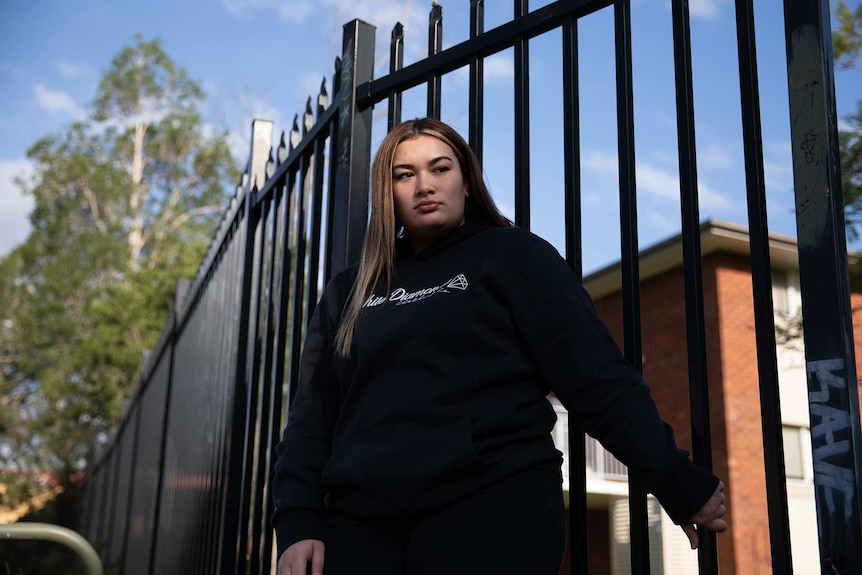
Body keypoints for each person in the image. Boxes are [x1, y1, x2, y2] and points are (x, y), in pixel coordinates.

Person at [271, 117, 727, 575]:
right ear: (386, 193)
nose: (424, 185)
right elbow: (312, 418)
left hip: (490, 499)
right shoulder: (348, 291)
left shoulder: (514, 256)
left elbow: (597, 379)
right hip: (361, 520)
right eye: (404, 175)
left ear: (466, 181)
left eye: (440, 169)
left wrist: (674, 479)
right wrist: (297, 520)